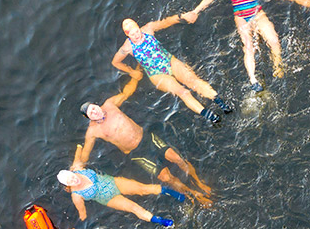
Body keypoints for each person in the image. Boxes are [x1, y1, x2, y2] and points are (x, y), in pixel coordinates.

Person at [183, 0, 301, 91]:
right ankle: (253, 79)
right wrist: (195, 11)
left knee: (274, 40)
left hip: (258, 14)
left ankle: (278, 68)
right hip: (241, 19)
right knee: (248, 47)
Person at [79, 82, 213, 206]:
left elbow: (126, 93)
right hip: (137, 153)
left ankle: (199, 182)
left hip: (148, 139)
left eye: (94, 108)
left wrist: (135, 77)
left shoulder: (110, 105)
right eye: (91, 112)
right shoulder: (93, 131)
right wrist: (79, 167)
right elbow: (86, 151)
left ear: (96, 105)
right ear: (88, 118)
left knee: (177, 158)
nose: (95, 111)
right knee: (166, 177)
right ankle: (193, 194)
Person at [111, 17, 233, 123]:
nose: (137, 35)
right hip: (156, 73)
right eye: (132, 34)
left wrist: (182, 17)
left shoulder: (148, 29)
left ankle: (221, 103)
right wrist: (131, 71)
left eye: (137, 31)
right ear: (127, 34)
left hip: (169, 61)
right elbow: (115, 62)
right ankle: (211, 117)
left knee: (193, 80)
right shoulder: (127, 48)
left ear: (138, 27)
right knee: (183, 92)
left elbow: (166, 22)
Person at [59, 144, 183, 227]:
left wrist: (79, 146)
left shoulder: (77, 168)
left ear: (72, 172)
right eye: (70, 181)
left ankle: (174, 193)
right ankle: (161, 221)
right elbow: (82, 213)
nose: (74, 180)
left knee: (143, 188)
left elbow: (78, 156)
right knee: (134, 208)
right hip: (108, 198)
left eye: (72, 177)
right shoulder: (76, 196)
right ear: (68, 185)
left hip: (114, 182)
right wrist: (81, 221)